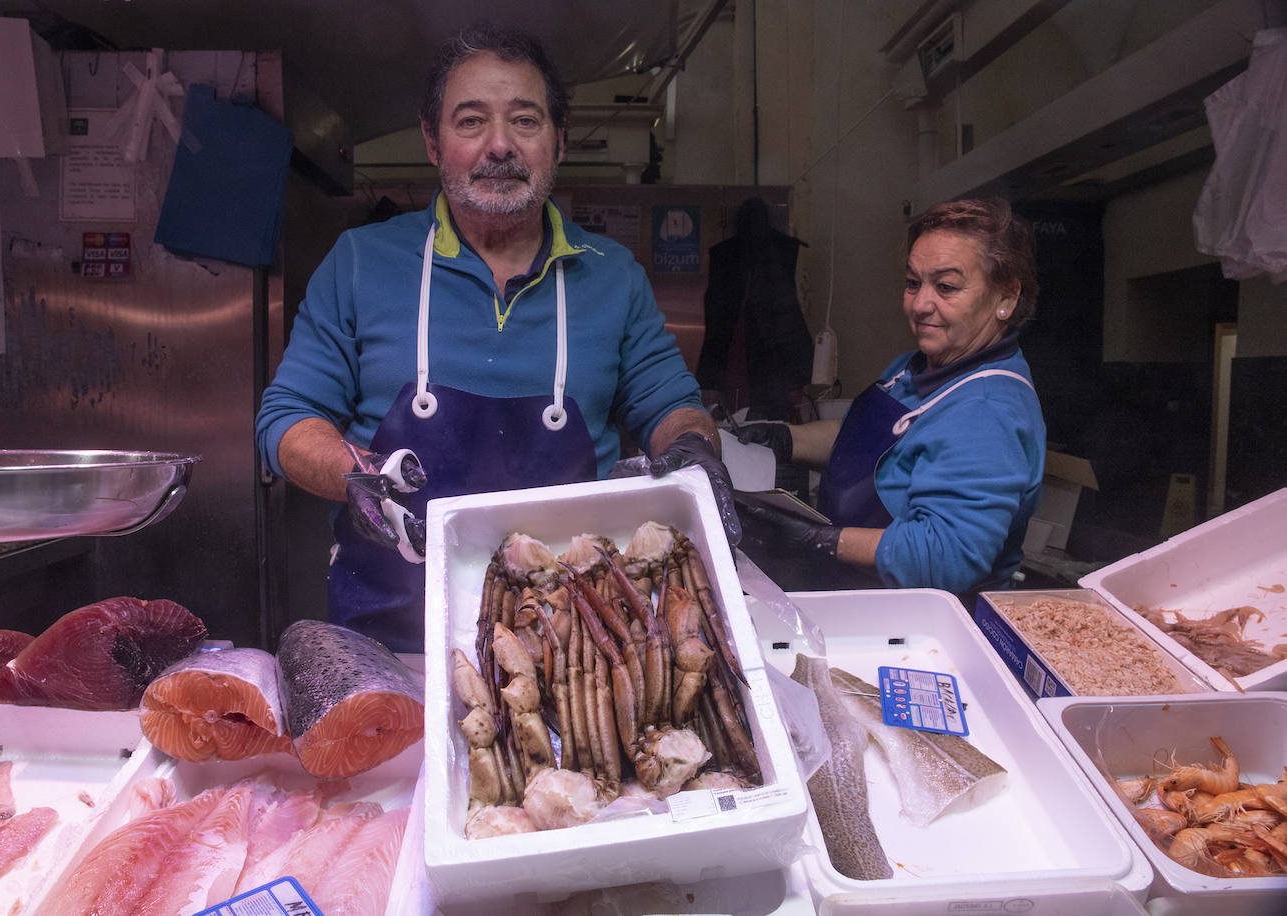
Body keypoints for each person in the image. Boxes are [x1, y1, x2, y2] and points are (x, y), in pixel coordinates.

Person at [256, 24, 739, 652]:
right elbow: (287, 419)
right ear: (433, 142)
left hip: (572, 638)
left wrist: (695, 450)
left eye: (526, 121)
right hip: (391, 631)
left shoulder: (613, 275)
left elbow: (671, 408)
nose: (499, 146)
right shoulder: (359, 262)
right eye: (470, 122)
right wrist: (355, 476)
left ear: (559, 140)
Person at [735, 198, 1046, 599]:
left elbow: (944, 555)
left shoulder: (986, 409)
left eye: (946, 287)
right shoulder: (917, 365)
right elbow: (870, 445)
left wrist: (820, 539)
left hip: (920, 623)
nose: (919, 305)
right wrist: (783, 439)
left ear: (1006, 297)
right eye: (913, 283)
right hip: (853, 590)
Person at [696, 197, 813, 422]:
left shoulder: (725, 255)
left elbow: (716, 321)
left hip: (750, 356)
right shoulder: (782, 251)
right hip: (763, 355)